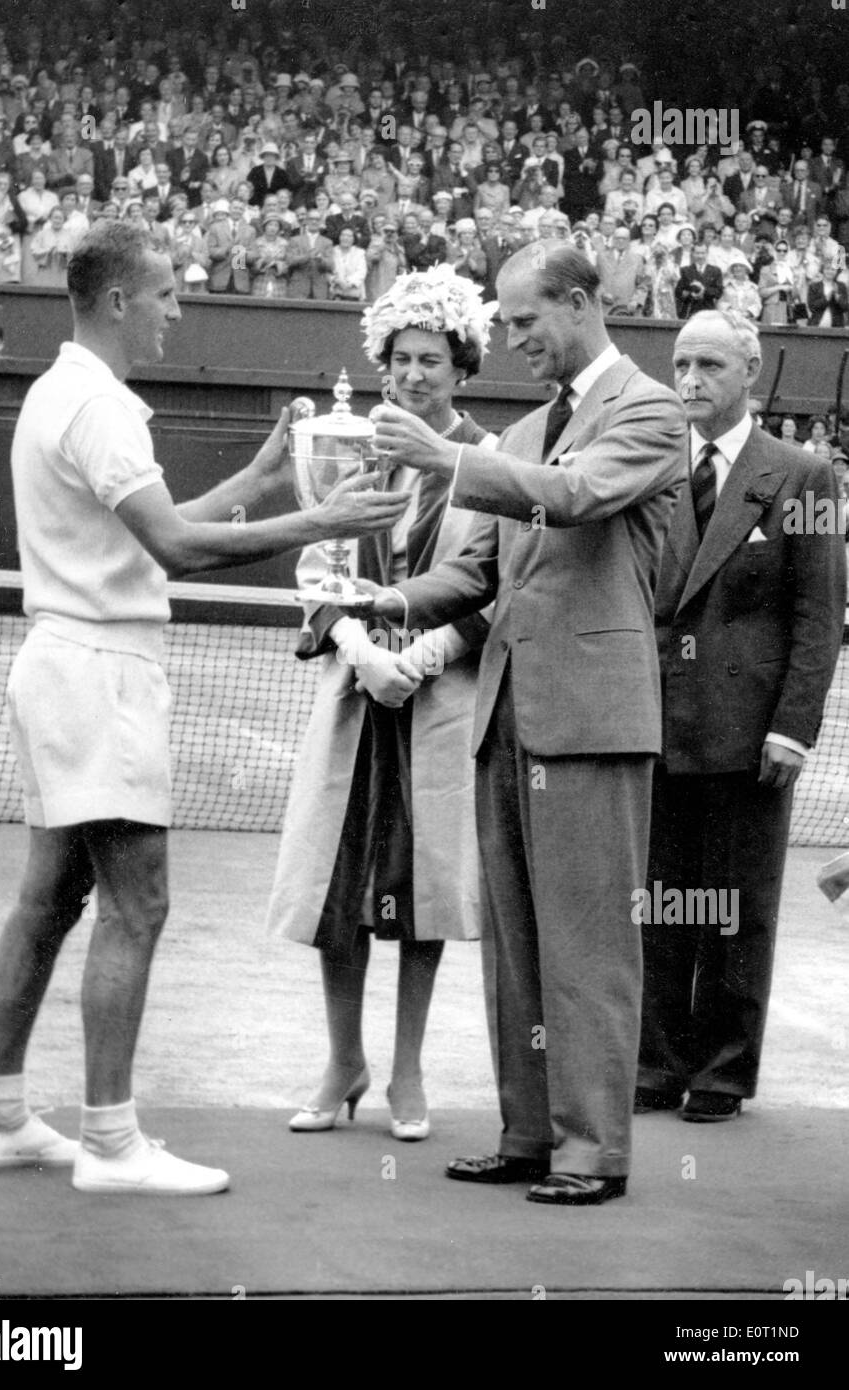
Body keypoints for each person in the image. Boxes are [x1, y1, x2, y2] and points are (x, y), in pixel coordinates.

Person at [0, 220, 411, 1196]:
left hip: (61, 665)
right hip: (98, 675)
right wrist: (324, 518)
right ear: (118, 300)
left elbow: (143, 532)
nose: (177, 309)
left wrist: (254, 483)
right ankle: (113, 1143)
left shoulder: (61, 393)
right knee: (139, 899)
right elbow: (173, 549)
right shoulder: (103, 406)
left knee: (51, 898)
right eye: (165, 293)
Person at [365, 244, 688, 1205]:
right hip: (507, 711)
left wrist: (447, 456)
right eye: (504, 324)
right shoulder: (518, 434)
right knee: (516, 943)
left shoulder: (647, 409)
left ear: (582, 303)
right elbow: (481, 576)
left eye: (524, 321)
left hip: (591, 715)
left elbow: (578, 495)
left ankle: (593, 1151)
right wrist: (384, 601)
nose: (511, 341)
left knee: (589, 943)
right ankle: (529, 1134)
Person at [267, 265, 498, 1141]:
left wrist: (431, 650)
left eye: (430, 358)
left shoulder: (489, 458)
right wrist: (358, 648)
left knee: (421, 890)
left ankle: (406, 1072)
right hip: (354, 694)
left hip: (442, 704)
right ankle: (343, 1062)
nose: (411, 374)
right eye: (398, 357)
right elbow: (316, 563)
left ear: (462, 363)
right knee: (340, 884)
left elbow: (498, 584)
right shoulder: (345, 447)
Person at [636, 309, 845, 1121]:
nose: (689, 382)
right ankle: (655, 1063)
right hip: (654, 725)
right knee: (659, 905)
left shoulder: (805, 475)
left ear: (748, 372)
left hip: (751, 736)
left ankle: (722, 1072)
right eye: (681, 366)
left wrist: (793, 727)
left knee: (736, 910)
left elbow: (818, 615)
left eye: (709, 368)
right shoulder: (652, 465)